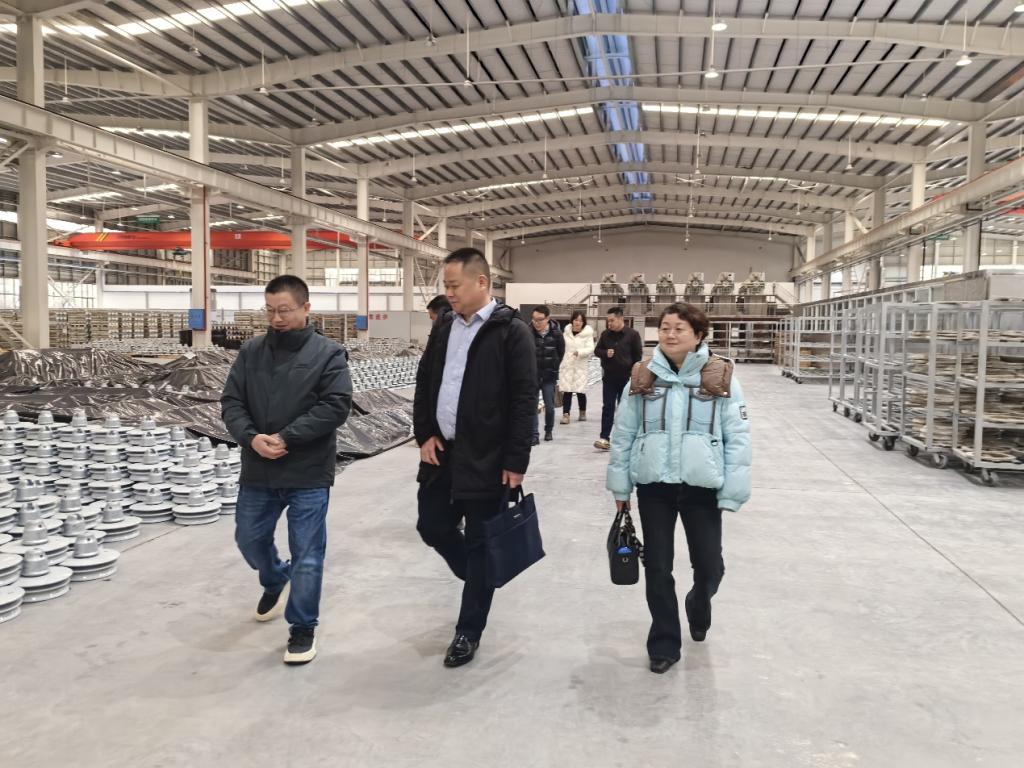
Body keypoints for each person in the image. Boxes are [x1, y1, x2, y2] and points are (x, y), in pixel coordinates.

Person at [606, 303, 751, 675]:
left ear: (698, 335)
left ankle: (699, 603)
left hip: (701, 487)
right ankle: (664, 643)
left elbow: (737, 436)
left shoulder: (720, 376)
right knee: (657, 566)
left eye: (679, 328)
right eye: (665, 327)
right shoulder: (642, 376)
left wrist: (733, 490)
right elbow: (623, 434)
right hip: (654, 486)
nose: (670, 334)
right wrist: (621, 486)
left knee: (709, 565)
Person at [413, 247, 537, 668]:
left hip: (488, 457)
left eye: (454, 286)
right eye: (446, 286)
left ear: (482, 282)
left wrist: (516, 461)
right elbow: (425, 380)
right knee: (432, 525)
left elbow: (523, 400)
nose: (449, 294)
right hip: (442, 452)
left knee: (483, 541)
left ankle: (468, 631)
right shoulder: (445, 326)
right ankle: (479, 574)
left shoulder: (511, 332)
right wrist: (424, 433)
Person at [221, 275, 353, 666]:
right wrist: (251, 438)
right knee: (249, 538)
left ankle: (302, 627)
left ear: (306, 308)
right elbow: (231, 402)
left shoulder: (328, 353)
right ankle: (275, 577)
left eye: (285, 310)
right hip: (259, 468)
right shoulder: (251, 352)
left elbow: (336, 405)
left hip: (307, 471)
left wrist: (287, 437)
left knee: (308, 553)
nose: (277, 318)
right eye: (270, 311)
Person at [593, 306, 643, 450]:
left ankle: (624, 438)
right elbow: (597, 350)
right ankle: (604, 438)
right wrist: (605, 353)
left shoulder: (632, 335)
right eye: (608, 321)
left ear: (621, 318)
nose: (609, 324)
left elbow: (637, 357)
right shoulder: (605, 335)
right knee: (608, 407)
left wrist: (634, 376)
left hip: (626, 379)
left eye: (612, 320)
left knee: (625, 409)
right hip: (609, 378)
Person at [530, 305, 565, 444]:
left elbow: (561, 352)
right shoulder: (528, 332)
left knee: (549, 407)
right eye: (534, 319)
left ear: (547, 319)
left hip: (549, 376)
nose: (536, 323)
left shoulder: (557, 334)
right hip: (533, 375)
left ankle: (548, 430)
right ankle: (534, 434)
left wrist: (554, 366)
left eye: (540, 320)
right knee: (532, 406)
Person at [558, 310, 595, 425]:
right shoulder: (566, 332)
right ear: (572, 320)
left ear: (583, 322)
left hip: (580, 365)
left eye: (580, 320)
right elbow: (561, 347)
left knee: (580, 391)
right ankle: (566, 415)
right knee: (567, 391)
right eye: (576, 320)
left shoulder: (587, 334)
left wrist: (579, 352)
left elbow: (590, 348)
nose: (578, 322)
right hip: (568, 365)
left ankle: (582, 412)